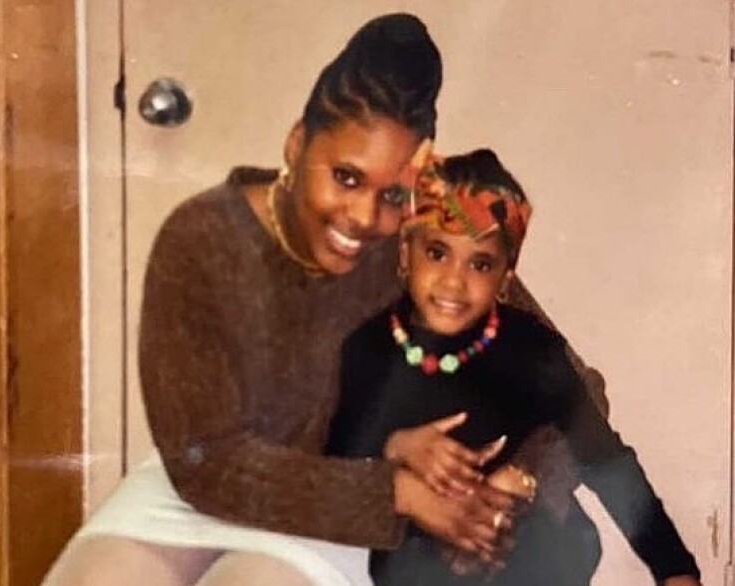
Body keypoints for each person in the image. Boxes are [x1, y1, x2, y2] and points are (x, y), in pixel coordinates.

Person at [43, 13, 602, 586]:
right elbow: (207, 465)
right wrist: (395, 493)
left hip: (356, 496)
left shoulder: (420, 241)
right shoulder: (201, 238)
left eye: (392, 195)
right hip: (227, 484)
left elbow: (579, 391)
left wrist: (518, 480)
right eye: (346, 177)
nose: (363, 217)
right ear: (296, 145)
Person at [325, 148, 702, 586]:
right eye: (437, 253)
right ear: (406, 255)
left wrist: (675, 569)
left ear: (505, 279)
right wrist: (395, 446)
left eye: (480, 263)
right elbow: (335, 469)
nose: (454, 280)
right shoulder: (367, 351)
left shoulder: (531, 349)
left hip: (534, 559)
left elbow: (606, 461)